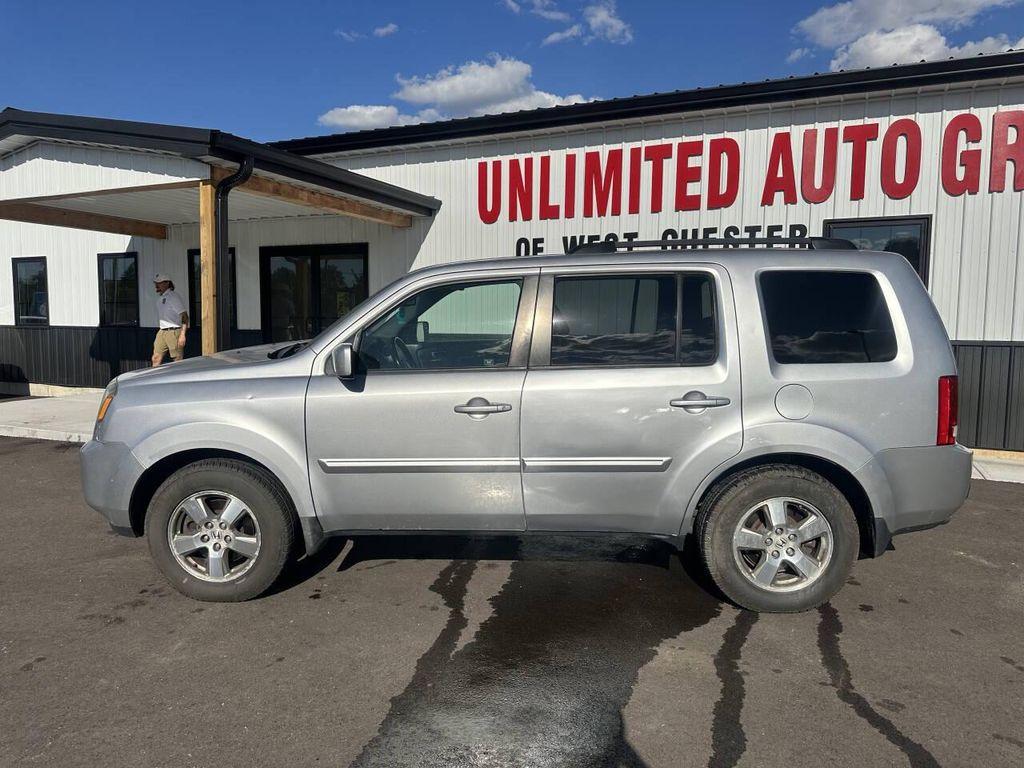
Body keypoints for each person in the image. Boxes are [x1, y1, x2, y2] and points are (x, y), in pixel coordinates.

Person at [152, 273, 189, 366]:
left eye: (159, 283)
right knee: (155, 358)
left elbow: (184, 315)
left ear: (167, 283)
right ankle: (154, 379)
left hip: (174, 331)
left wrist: (182, 335)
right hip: (162, 331)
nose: (156, 285)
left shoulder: (173, 297)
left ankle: (177, 379)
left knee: (177, 359)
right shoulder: (161, 297)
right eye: (156, 283)